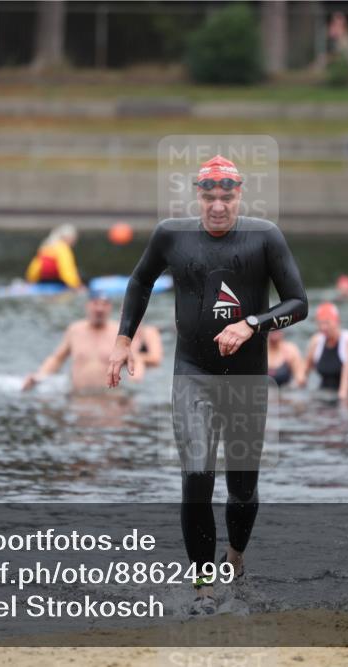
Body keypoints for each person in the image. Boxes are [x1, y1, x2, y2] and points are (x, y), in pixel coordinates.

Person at [107, 155, 308, 614]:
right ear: (197, 194)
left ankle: (234, 557)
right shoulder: (170, 236)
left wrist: (252, 324)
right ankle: (203, 586)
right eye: (209, 195)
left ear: (240, 194)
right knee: (196, 477)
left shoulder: (264, 237)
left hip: (246, 380)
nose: (218, 205)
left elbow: (299, 303)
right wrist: (122, 341)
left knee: (241, 489)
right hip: (193, 374)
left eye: (227, 195)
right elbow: (139, 282)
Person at [24, 291, 144, 391]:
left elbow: (136, 360)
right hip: (79, 398)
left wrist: (136, 377)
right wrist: (39, 376)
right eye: (95, 304)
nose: (99, 309)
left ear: (110, 308)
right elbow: (57, 359)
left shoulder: (120, 333)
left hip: (111, 398)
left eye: (104, 304)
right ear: (88, 305)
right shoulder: (75, 330)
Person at [306, 302, 348, 391]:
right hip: (323, 393)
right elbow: (305, 373)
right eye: (320, 323)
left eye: (327, 323)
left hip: (345, 392)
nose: (323, 327)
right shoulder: (316, 342)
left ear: (337, 322)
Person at [25, 224, 83, 288]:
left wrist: (30, 282)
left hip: (42, 283)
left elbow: (35, 268)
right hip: (57, 284)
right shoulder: (63, 248)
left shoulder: (46, 248)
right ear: (67, 238)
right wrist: (76, 286)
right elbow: (67, 270)